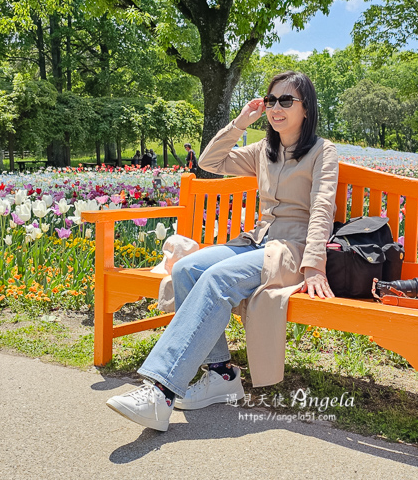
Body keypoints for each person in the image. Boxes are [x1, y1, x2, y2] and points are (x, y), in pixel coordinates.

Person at [105, 71, 339, 432]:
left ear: (306, 109)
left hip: (289, 249)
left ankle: (160, 391)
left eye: (286, 101)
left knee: (216, 278)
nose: (276, 108)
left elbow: (323, 207)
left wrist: (313, 266)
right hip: (255, 240)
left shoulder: (323, 151)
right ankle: (222, 375)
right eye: (271, 100)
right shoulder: (264, 150)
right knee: (185, 270)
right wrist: (241, 122)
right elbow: (210, 162)